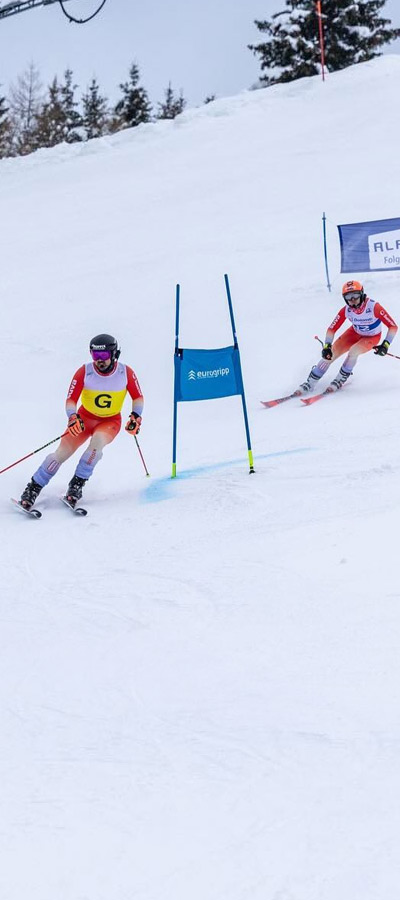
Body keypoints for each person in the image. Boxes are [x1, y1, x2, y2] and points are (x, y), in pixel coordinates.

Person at [19, 333, 144, 510]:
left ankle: (76, 486)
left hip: (110, 421)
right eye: (95, 356)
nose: (99, 360)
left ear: (114, 354)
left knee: (96, 445)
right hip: (84, 419)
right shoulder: (85, 371)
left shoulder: (126, 373)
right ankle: (33, 488)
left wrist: (136, 416)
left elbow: (138, 397)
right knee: (61, 454)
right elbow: (71, 400)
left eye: (104, 356)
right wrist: (72, 417)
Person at [298, 280, 398, 393]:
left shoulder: (374, 307)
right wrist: (327, 346)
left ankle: (340, 379)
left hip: (372, 337)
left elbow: (393, 326)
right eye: (348, 297)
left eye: (355, 295)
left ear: (362, 294)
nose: (353, 300)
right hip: (354, 333)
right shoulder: (346, 310)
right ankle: (310, 382)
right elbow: (332, 329)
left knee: (353, 352)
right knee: (330, 354)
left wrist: (385, 345)